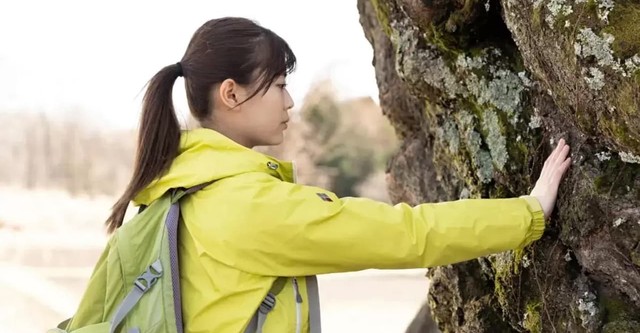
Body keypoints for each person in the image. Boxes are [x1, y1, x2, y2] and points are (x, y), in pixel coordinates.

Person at [105, 17, 572, 333]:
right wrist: (527, 213)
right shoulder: (248, 206)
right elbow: (405, 234)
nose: (289, 102)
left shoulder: (175, 191)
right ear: (231, 93)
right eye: (280, 86)